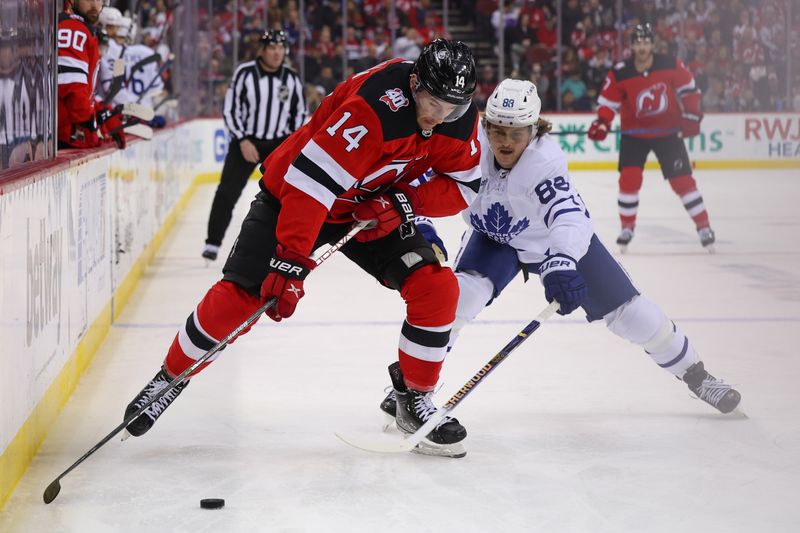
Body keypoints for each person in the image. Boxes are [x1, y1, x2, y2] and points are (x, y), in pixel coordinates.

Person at [123, 40, 483, 458]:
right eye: (432, 102)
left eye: (451, 109)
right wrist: (290, 260)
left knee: (436, 288)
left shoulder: (457, 117)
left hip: (366, 210)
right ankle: (169, 378)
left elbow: (465, 186)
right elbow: (312, 183)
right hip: (296, 197)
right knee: (242, 298)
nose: (438, 117)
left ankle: (414, 399)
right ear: (415, 82)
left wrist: (404, 202)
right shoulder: (374, 108)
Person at [380, 79, 741, 436]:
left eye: (516, 133)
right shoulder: (466, 144)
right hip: (494, 236)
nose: (505, 142)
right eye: (498, 131)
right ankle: (413, 389)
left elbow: (567, 216)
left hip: (550, 241)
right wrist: (421, 229)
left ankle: (697, 375)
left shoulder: (544, 160)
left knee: (631, 314)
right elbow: (414, 183)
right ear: (486, 125)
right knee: (457, 299)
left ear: (534, 130)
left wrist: (562, 260)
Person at [587, 23, 715, 253]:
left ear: (652, 44)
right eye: (638, 42)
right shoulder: (620, 71)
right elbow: (608, 103)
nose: (642, 47)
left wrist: (691, 115)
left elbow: (689, 90)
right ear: (632, 45)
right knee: (629, 179)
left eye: (646, 42)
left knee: (683, 181)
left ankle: (704, 226)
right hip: (634, 135)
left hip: (668, 133)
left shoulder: (670, 63)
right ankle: (627, 227)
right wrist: (602, 122)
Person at [201, 29, 307, 261]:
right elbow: (231, 109)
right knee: (227, 193)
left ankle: (281, 246)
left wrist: (288, 145)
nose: (277, 53)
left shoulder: (291, 77)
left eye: (281, 48)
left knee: (283, 196)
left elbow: (299, 114)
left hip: (279, 144)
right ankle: (213, 242)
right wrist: (242, 140)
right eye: (272, 48)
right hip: (246, 142)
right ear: (262, 50)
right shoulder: (244, 73)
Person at [57, 0, 103, 148]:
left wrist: (100, 114)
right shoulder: (73, 28)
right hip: (60, 138)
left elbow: (83, 90)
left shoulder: (82, 28)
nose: (95, 5)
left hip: (62, 134)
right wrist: (89, 124)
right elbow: (72, 86)